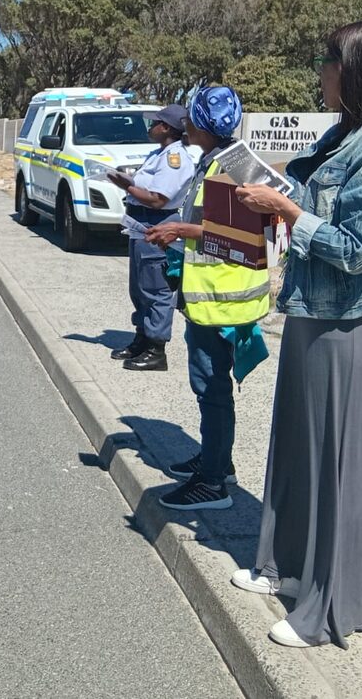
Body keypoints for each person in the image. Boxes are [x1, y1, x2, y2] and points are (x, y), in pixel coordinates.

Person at [232, 20, 362, 649]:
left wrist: (286, 210)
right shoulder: (347, 133)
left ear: (361, 68)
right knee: (296, 447)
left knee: (338, 462)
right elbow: (314, 189)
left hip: (350, 322)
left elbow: (354, 249)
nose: (320, 70)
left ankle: (328, 604)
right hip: (314, 311)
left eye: (328, 61)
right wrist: (279, 189)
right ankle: (282, 568)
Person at [144, 86, 269, 511]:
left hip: (222, 303)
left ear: (200, 123)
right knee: (211, 389)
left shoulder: (229, 169)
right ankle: (218, 460)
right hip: (213, 298)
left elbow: (234, 234)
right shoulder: (220, 161)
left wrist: (177, 231)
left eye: (190, 118)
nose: (184, 125)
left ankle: (213, 483)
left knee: (211, 389)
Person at [108, 104, 195, 371]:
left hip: (158, 224)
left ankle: (157, 349)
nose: (150, 127)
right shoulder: (160, 154)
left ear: (166, 128)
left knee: (156, 289)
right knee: (139, 287)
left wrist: (127, 185)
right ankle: (142, 338)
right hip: (140, 224)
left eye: (154, 123)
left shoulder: (175, 159)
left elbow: (158, 199)